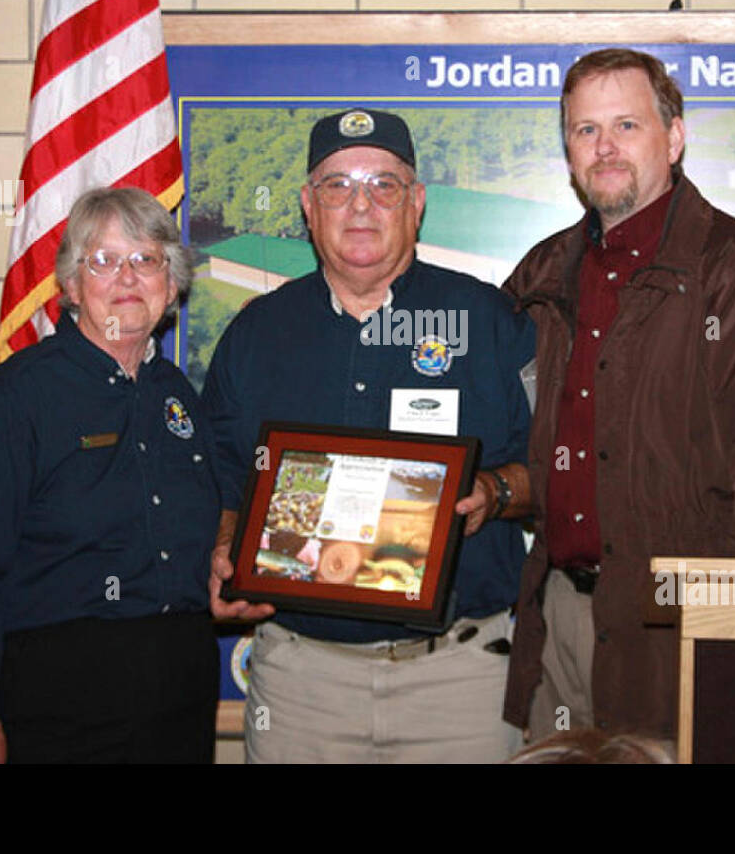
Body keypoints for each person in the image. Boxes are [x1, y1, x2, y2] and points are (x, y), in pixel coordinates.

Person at [502, 49, 735, 742]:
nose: (605, 148)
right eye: (585, 130)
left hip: (684, 625)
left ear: (674, 137)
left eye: (627, 124)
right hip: (561, 615)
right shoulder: (543, 271)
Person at [203, 107, 535, 763]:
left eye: (384, 185)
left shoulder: (488, 320)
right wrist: (223, 553)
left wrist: (492, 493)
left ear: (416, 203)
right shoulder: (256, 334)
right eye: (338, 185)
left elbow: (555, 468)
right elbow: (223, 481)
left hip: (460, 685)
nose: (361, 205)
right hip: (301, 684)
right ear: (308, 204)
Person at [0, 186, 222, 763]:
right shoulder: (8, 401)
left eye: (146, 260)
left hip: (180, 701)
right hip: (58, 706)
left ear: (172, 282)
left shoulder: (178, 397)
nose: (127, 278)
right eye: (104, 260)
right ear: (70, 285)